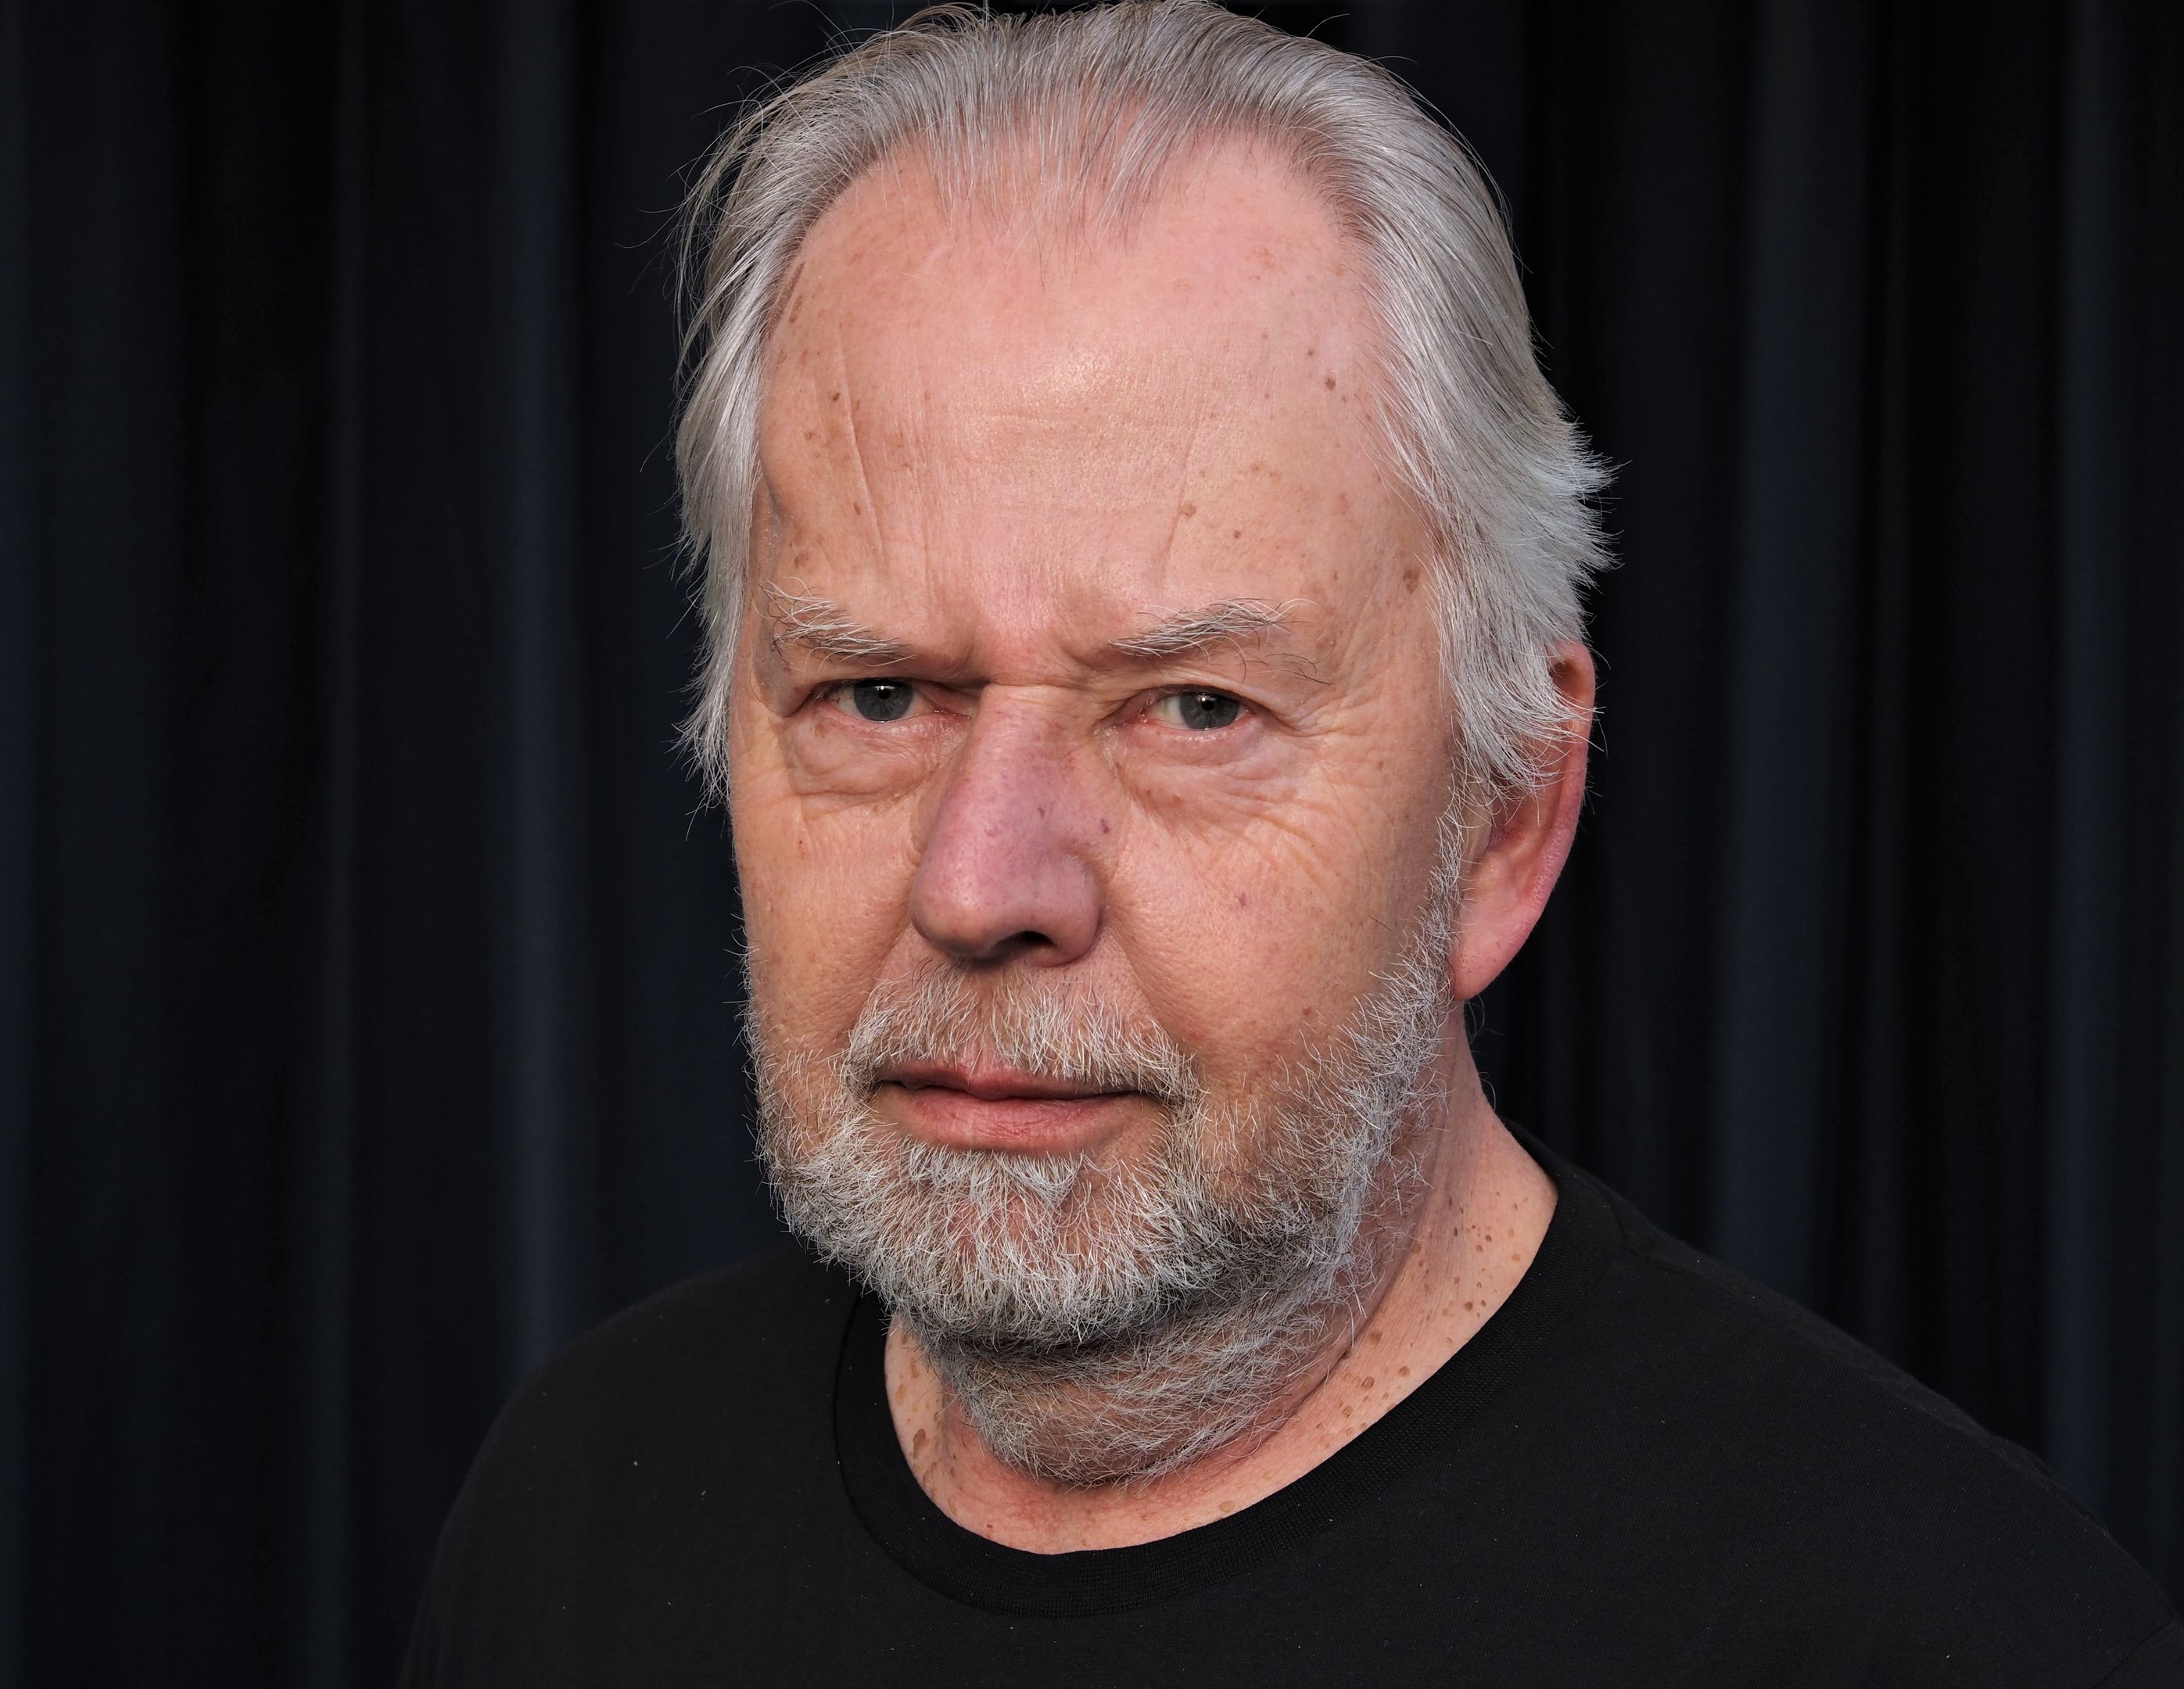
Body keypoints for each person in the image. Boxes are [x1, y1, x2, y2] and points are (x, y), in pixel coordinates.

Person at [400, 4, 2181, 1682]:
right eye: (877, 694)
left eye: (1192, 709)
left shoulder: (1934, 1636)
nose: (982, 885)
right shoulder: (578, 1516)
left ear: (1505, 808)